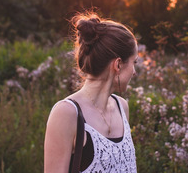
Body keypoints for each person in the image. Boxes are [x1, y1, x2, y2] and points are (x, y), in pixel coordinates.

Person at [44, 13, 138, 173]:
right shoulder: (66, 113)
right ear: (118, 65)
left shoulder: (122, 107)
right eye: (134, 62)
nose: (134, 72)